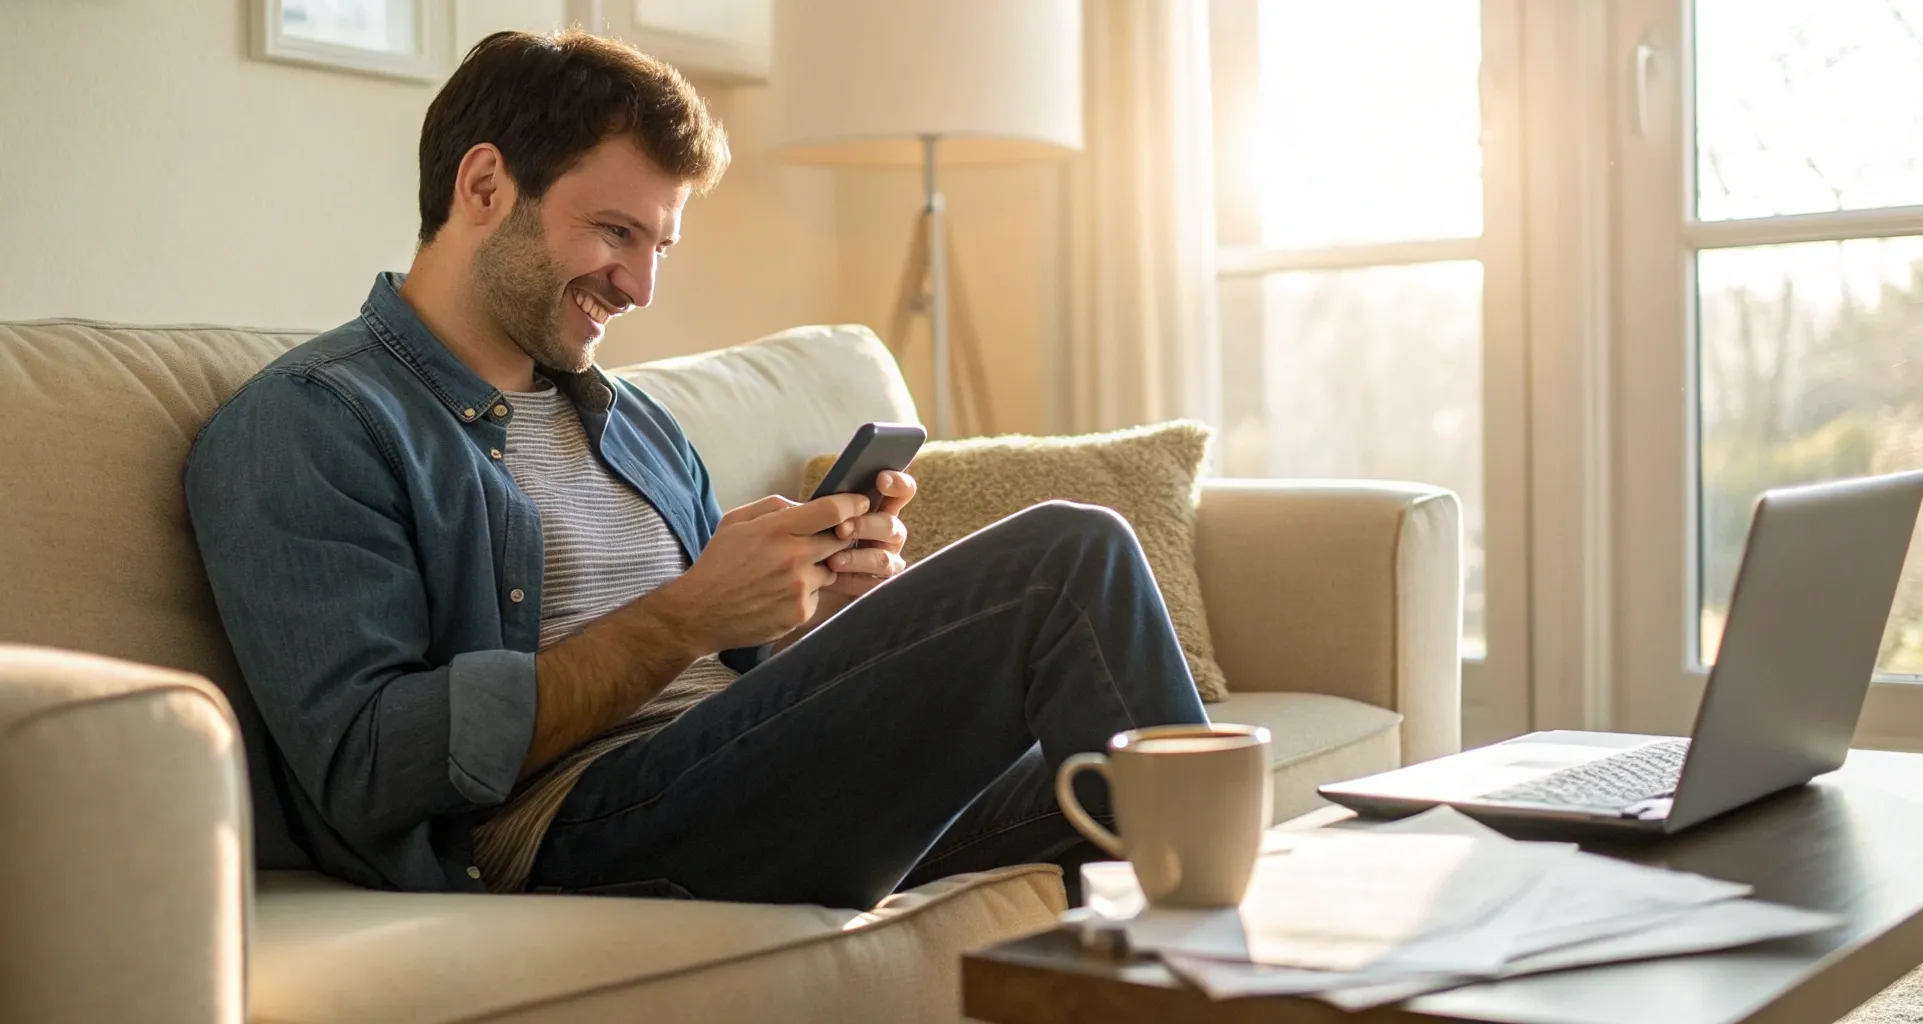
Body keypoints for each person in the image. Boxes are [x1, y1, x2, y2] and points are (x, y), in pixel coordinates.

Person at [184, 29, 1206, 909]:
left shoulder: (632, 424)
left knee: (1114, 764)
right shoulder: (313, 423)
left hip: (724, 775)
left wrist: (806, 608)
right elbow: (366, 765)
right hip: (568, 830)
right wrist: (685, 614)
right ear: (485, 185)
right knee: (1066, 560)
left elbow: (726, 661)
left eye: (660, 244)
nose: (638, 285)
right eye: (614, 231)